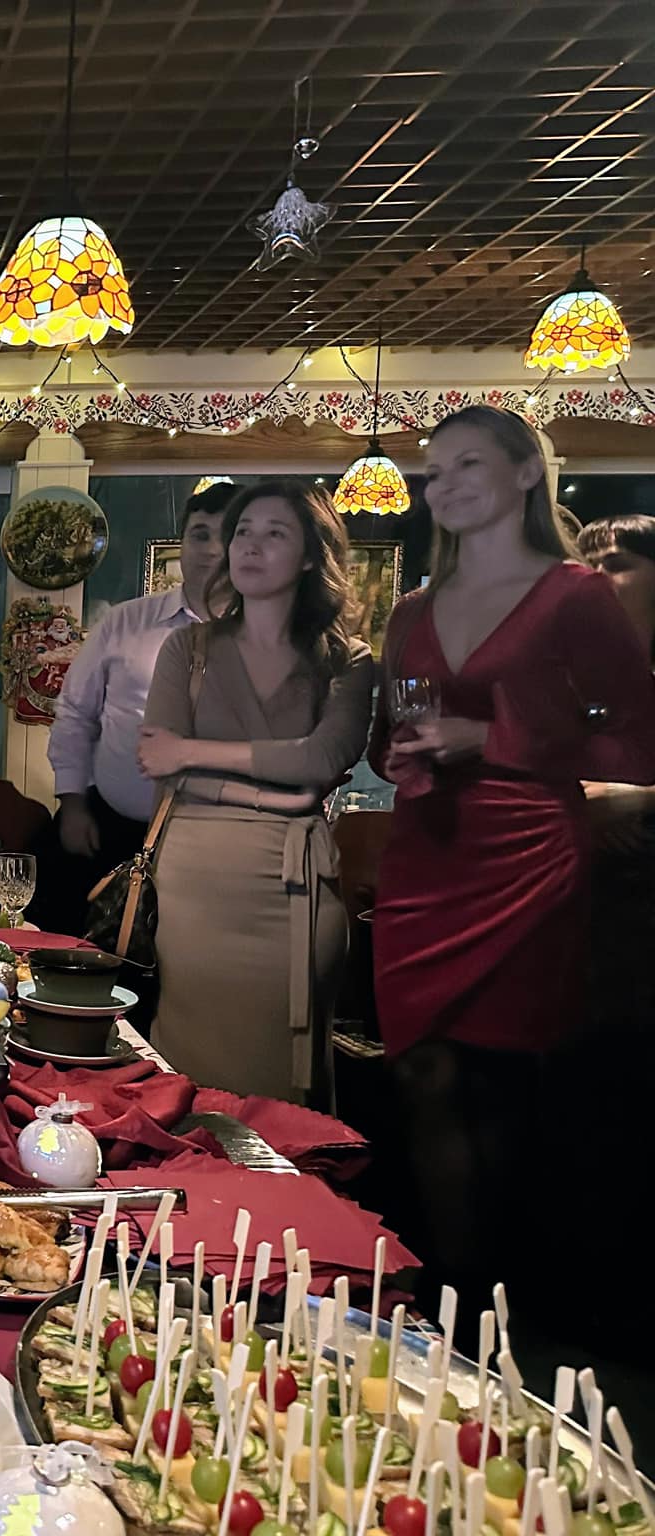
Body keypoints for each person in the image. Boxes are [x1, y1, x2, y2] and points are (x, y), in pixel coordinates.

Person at [370, 406, 655, 1305]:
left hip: (526, 857)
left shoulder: (577, 595)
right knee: (420, 1070)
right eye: (435, 469)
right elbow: (389, 732)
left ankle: (486, 1309)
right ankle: (445, 1292)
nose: (444, 484)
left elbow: (635, 741)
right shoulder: (412, 609)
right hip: (425, 853)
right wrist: (403, 754)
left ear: (527, 473)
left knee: (497, 1082)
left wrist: (488, 737)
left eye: (468, 464)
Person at [138, 480, 374, 1102]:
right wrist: (286, 794)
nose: (250, 545)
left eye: (275, 533)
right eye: (242, 531)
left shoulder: (346, 659)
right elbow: (160, 761)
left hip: (295, 887)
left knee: (285, 1077)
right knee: (189, 1067)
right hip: (197, 881)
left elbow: (324, 756)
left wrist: (194, 752)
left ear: (310, 556)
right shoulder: (188, 648)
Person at [34, 480, 235, 936]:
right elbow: (75, 714)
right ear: (181, 544)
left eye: (227, 536)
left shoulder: (261, 637)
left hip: (215, 841)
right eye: (200, 534)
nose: (212, 549)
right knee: (74, 951)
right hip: (108, 829)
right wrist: (73, 804)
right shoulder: (126, 621)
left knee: (185, 961)